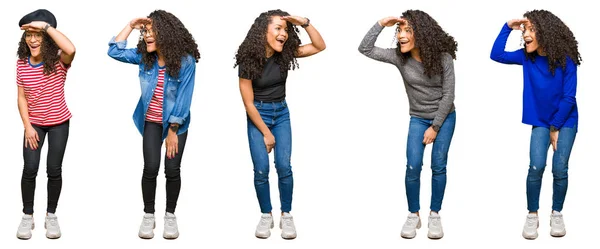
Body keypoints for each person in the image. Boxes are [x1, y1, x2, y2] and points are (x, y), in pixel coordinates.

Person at [358, 10, 457, 239]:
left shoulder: (443, 57)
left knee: (438, 165)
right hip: (418, 117)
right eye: (399, 30)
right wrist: (382, 23)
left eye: (407, 30)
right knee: (412, 166)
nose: (401, 35)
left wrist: (435, 127)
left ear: (421, 34)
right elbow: (365, 49)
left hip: (444, 117)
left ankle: (434, 215)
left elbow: (448, 95)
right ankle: (414, 214)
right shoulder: (399, 57)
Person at [107, 9, 200, 240]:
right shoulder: (144, 57)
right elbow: (113, 51)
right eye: (145, 32)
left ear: (166, 35)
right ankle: (149, 215)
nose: (147, 36)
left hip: (176, 124)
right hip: (151, 121)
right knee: (150, 168)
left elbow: (184, 98)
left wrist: (173, 130)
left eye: (151, 32)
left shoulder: (185, 61)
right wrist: (131, 24)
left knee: (172, 170)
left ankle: (170, 215)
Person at [490, 9, 581, 240]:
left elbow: (569, 98)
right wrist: (507, 26)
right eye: (525, 29)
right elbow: (496, 54)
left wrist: (555, 127)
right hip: (540, 121)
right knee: (536, 166)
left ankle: (556, 213)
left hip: (565, 119)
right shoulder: (526, 57)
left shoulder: (566, 59)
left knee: (559, 168)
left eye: (531, 29)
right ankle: (532, 214)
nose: (526, 34)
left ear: (545, 33)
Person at [235, 9, 325, 239]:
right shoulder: (248, 59)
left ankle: (286, 215)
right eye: (278, 28)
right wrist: (266, 133)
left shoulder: (285, 53)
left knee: (284, 166)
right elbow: (248, 103)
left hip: (281, 113)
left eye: (285, 30)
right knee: (261, 169)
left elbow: (319, 46)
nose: (283, 33)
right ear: (263, 31)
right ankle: (266, 215)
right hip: (258, 114)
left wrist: (304, 22)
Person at [15, 9, 76, 240]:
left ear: (46, 37)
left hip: (59, 123)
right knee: (30, 169)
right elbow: (21, 97)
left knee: (54, 170)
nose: (32, 39)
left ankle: (51, 215)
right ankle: (27, 215)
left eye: (37, 35)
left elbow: (72, 49)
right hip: (35, 126)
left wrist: (46, 27)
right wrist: (27, 126)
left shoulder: (60, 60)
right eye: (29, 35)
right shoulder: (21, 63)